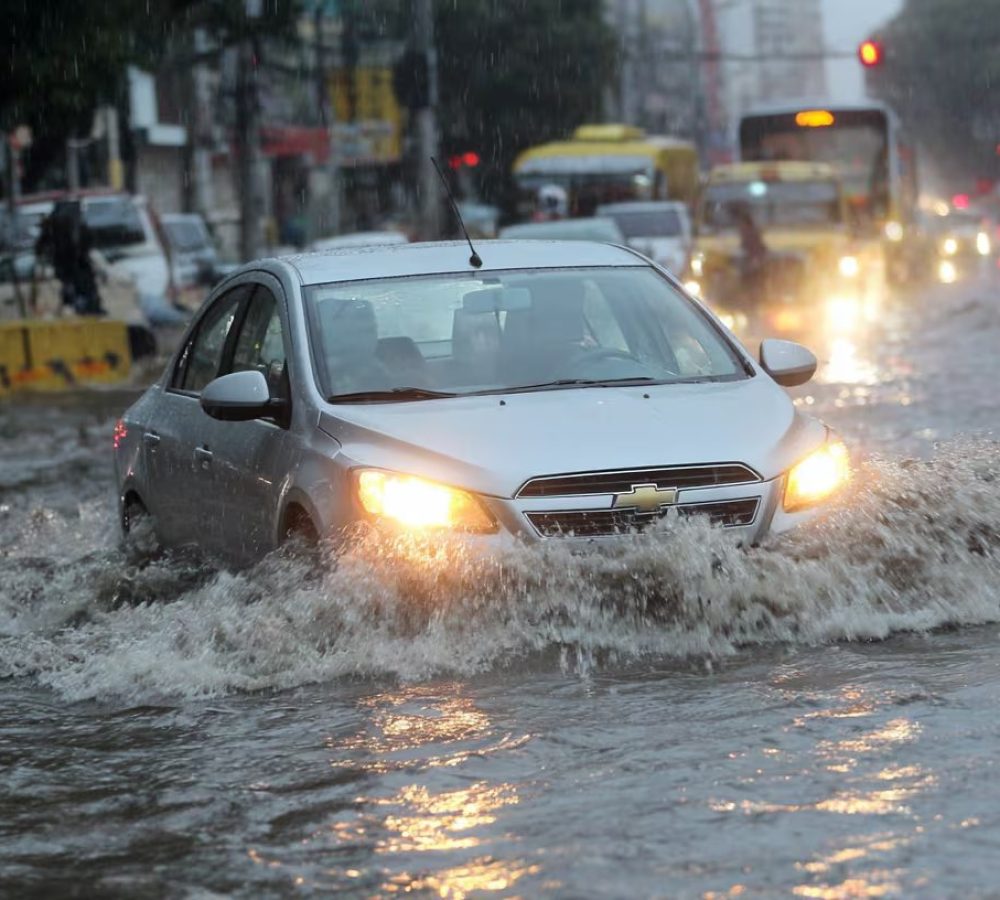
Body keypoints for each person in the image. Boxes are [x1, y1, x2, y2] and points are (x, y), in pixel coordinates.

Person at [35, 202, 104, 315]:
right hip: (68, 264)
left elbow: (88, 242)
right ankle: (81, 303)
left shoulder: (72, 226)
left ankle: (86, 304)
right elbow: (42, 246)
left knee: (81, 285)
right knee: (76, 284)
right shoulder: (56, 226)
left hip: (75, 264)